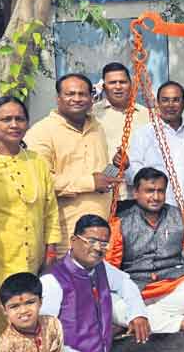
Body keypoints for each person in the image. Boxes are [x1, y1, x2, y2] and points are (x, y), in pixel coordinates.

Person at [40, 215, 172, 352]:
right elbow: (47, 342)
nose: (97, 248)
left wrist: (138, 313)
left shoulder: (99, 267)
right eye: (91, 241)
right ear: (74, 240)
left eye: (103, 244)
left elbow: (126, 283)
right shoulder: (52, 282)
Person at [108, 167, 184, 334]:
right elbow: (110, 263)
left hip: (172, 285)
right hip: (135, 288)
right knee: (110, 304)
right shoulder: (122, 222)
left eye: (160, 191)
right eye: (150, 191)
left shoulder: (178, 216)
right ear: (136, 193)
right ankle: (179, 323)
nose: (156, 197)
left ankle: (140, 320)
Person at [0, 96, 61, 288]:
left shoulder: (36, 161)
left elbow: (50, 210)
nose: (14, 125)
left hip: (33, 264)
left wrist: (50, 252)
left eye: (20, 119)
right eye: (6, 119)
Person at [27, 73, 120, 254]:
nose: (77, 99)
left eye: (82, 94)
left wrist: (116, 167)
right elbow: (40, 182)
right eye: (70, 94)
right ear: (58, 98)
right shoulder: (41, 132)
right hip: (66, 236)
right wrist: (90, 183)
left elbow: (99, 173)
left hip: (102, 233)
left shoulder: (97, 127)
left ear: (91, 98)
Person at [127, 81, 184, 222]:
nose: (170, 105)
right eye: (165, 100)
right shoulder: (144, 134)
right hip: (156, 214)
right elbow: (132, 173)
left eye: (176, 100)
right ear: (157, 103)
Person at [93, 63, 149, 212]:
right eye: (112, 83)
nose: (118, 87)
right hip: (103, 195)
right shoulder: (91, 114)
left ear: (130, 85)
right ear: (104, 87)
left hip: (138, 195)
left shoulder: (147, 115)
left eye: (122, 82)